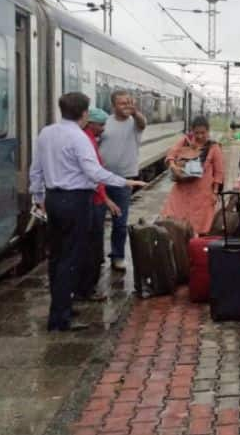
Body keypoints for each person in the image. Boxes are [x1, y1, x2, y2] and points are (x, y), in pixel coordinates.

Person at [29, 92, 145, 331]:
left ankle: (61, 307)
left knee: (57, 257)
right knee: (71, 259)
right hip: (76, 201)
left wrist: (39, 198)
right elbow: (94, 172)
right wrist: (125, 182)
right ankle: (60, 319)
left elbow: (35, 169)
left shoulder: (46, 133)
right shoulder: (79, 137)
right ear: (84, 114)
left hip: (53, 199)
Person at [75, 107, 122, 303]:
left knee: (91, 247)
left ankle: (85, 288)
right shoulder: (86, 142)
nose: (103, 129)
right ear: (90, 123)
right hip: (93, 201)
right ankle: (86, 289)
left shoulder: (89, 139)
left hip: (94, 200)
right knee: (91, 248)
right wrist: (106, 199)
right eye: (101, 125)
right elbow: (94, 175)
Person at [99, 90, 146, 271]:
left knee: (120, 222)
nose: (126, 106)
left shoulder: (135, 122)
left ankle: (117, 256)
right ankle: (97, 257)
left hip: (124, 179)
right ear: (113, 106)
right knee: (96, 221)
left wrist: (135, 112)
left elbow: (143, 123)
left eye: (129, 102)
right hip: (101, 178)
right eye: (122, 103)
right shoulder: (105, 123)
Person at [160, 116, 224, 234]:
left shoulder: (213, 147)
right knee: (175, 223)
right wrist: (173, 165)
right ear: (192, 131)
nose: (199, 136)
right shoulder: (185, 141)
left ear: (208, 131)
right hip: (181, 192)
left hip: (202, 194)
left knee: (199, 227)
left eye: (203, 133)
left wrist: (215, 192)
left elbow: (219, 173)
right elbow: (171, 154)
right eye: (196, 133)